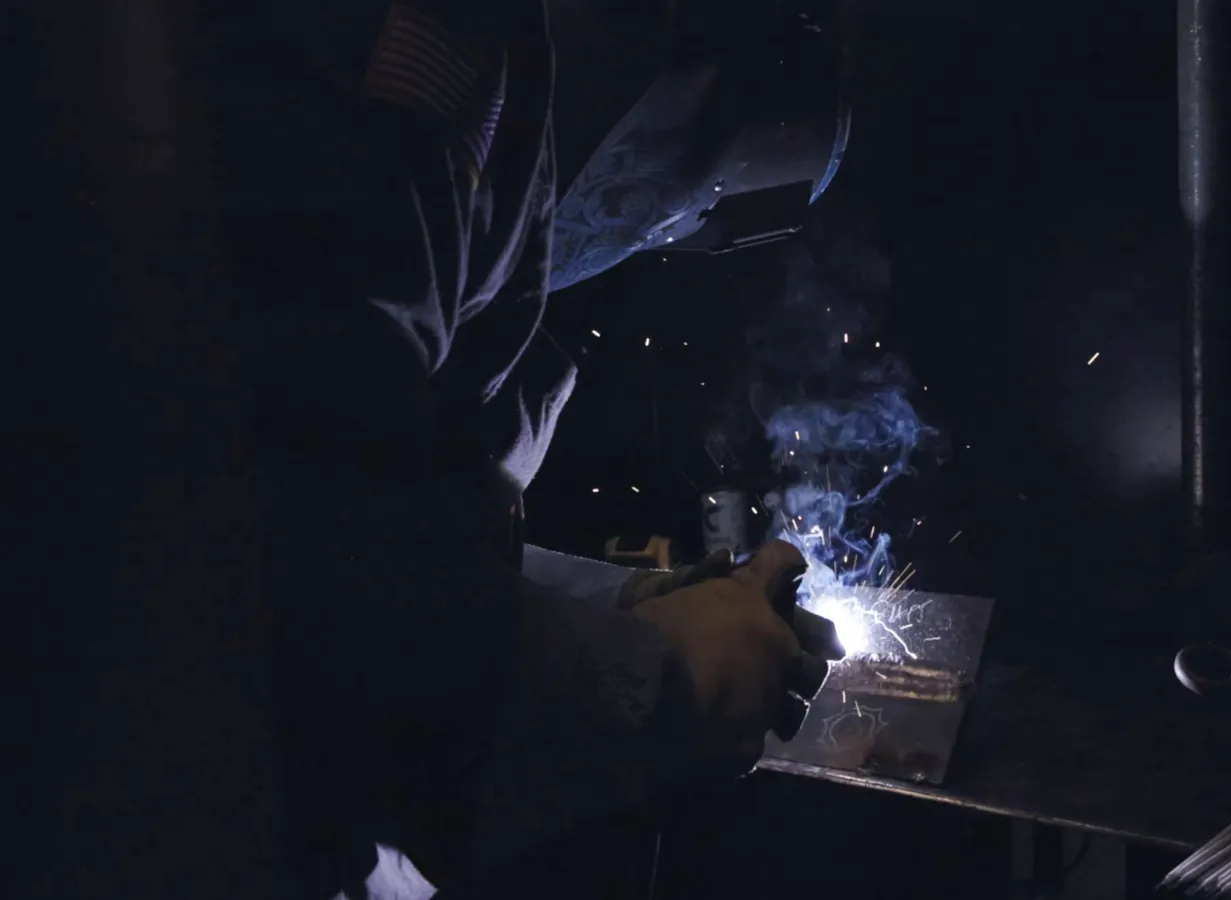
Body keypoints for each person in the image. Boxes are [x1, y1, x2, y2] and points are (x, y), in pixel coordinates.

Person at [213, 0, 852, 896]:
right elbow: (285, 585)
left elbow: (376, 514)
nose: (658, 231)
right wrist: (653, 684)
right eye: (679, 210)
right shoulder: (424, 61)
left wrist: (622, 603)